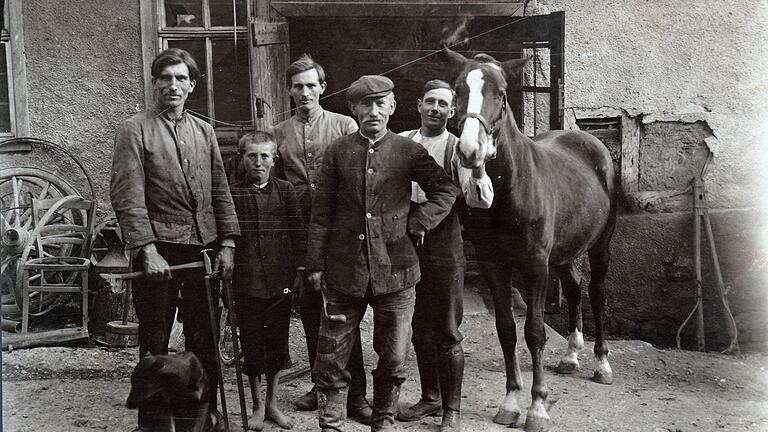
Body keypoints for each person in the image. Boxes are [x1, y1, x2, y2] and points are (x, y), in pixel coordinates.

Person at [305, 75, 459, 432]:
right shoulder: (338, 151)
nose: (372, 111)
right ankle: (330, 424)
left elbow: (446, 189)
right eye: (365, 104)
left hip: (397, 270)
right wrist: (315, 264)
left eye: (380, 104)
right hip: (345, 271)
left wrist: (421, 220)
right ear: (354, 109)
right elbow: (322, 212)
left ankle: (384, 420)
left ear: (392, 108)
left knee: (392, 357)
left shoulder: (408, 151)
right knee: (331, 355)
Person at [110, 48, 240, 431]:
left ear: (192, 85)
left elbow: (220, 189)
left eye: (181, 78)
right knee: (155, 343)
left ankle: (203, 417)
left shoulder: (203, 131)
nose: (173, 85)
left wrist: (228, 243)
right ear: (154, 84)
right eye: (165, 78)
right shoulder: (135, 129)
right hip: (159, 253)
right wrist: (146, 250)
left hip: (202, 251)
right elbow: (127, 195)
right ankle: (154, 423)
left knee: (205, 338)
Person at [272, 54, 372, 424]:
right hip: (301, 232)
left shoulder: (345, 126)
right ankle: (321, 387)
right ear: (289, 91)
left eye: (311, 85)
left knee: (343, 314)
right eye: (297, 86)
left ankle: (357, 394)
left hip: (339, 232)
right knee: (313, 312)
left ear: (323, 88)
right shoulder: (278, 133)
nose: (304, 92)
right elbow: (279, 187)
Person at [396, 80, 494, 432]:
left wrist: (479, 167)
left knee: (447, 329)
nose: (435, 109)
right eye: (430, 102)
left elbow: (477, 199)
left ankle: (451, 409)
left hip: (444, 241)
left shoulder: (457, 147)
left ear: (453, 112)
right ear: (419, 105)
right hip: (407, 239)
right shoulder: (403, 141)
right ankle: (430, 397)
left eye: (443, 104)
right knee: (419, 328)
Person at [229, 131, 305, 431]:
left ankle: (273, 403)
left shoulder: (285, 191)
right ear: (242, 159)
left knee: (277, 342)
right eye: (251, 156)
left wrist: (299, 272)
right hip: (246, 282)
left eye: (264, 156)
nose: (258, 163)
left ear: (274, 159)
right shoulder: (232, 193)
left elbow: (298, 233)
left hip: (279, 282)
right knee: (251, 342)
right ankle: (257, 405)